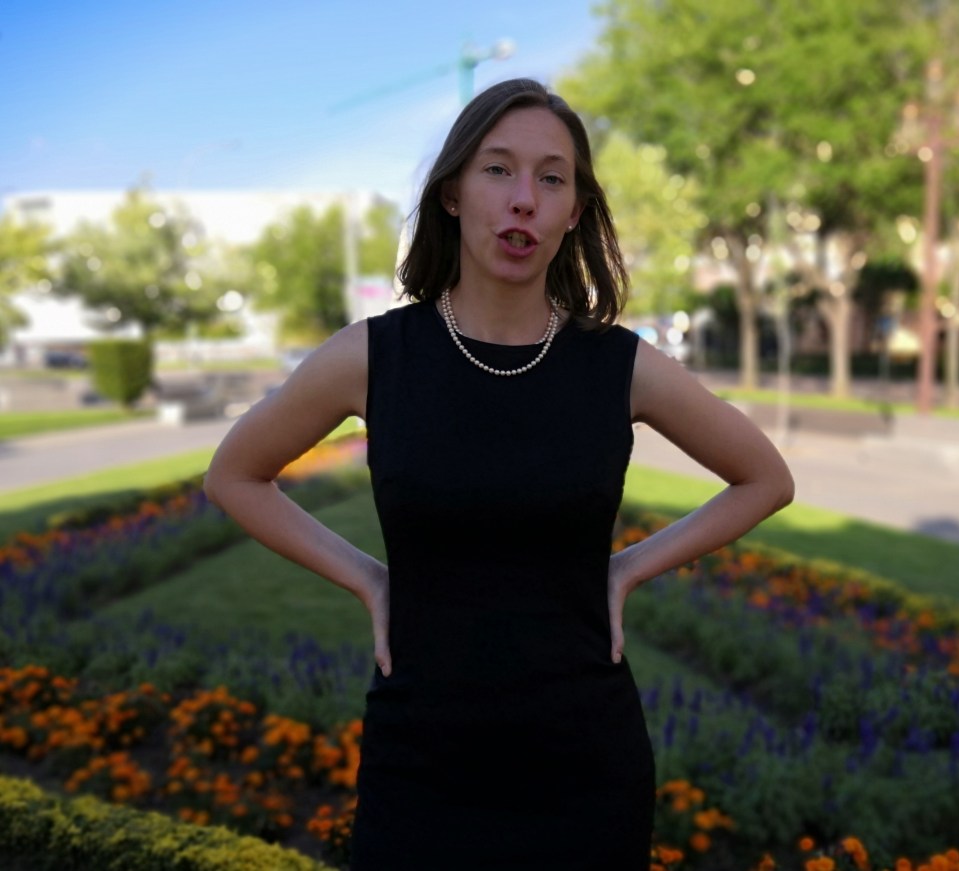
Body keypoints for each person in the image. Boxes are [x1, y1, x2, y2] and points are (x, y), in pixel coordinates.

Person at [204, 78, 794, 870]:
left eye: (552, 178)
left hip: (585, 765)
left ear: (574, 211)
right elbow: (235, 474)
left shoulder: (620, 365)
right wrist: (371, 580)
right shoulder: (374, 356)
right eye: (498, 170)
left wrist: (624, 570)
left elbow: (765, 478)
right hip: (421, 765)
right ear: (452, 192)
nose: (525, 199)